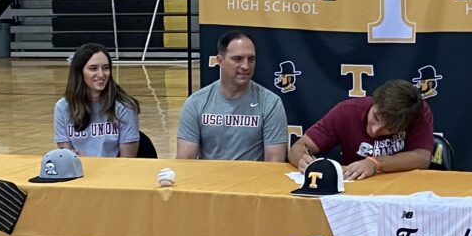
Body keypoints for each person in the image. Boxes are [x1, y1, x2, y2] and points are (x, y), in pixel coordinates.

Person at [288, 80, 434, 180]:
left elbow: (422, 158)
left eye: (388, 129)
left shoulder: (417, 113)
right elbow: (298, 147)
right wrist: (303, 160)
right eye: (375, 117)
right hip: (356, 187)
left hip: (402, 188)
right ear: (374, 101)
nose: (375, 130)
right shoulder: (348, 111)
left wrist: (375, 163)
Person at [177, 30, 287, 161]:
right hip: (209, 174)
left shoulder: (271, 104)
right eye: (237, 59)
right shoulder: (196, 103)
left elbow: (274, 162)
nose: (246, 66)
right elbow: (185, 159)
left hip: (253, 175)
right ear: (220, 60)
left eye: (251, 59)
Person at [54, 43, 140, 157]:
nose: (101, 74)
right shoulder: (62, 107)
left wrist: (94, 164)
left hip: (114, 168)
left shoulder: (125, 107)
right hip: (80, 168)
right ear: (79, 72)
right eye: (93, 68)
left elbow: (127, 159)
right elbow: (66, 157)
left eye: (105, 68)